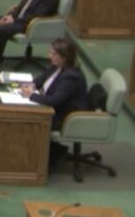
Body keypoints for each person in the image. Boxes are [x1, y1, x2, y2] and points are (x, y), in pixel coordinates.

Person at [20, 39, 89, 167]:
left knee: (28, 120)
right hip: (56, 109)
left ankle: (45, 157)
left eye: (53, 54)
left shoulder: (71, 77)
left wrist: (30, 95)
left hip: (64, 116)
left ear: (65, 57)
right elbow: (43, 78)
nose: (49, 56)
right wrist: (32, 84)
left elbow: (54, 101)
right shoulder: (57, 67)